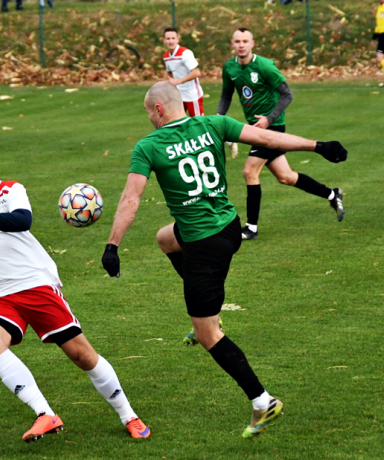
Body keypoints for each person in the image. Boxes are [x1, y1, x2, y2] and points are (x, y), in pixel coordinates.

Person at [101, 81, 348, 438]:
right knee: (165, 238)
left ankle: (262, 401)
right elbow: (268, 140)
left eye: (146, 111)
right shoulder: (214, 123)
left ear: (157, 109)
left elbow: (130, 200)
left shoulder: (148, 146)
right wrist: (317, 146)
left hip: (205, 244)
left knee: (207, 335)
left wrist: (112, 245)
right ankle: (209, 312)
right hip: (230, 227)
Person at [0, 140, 150, 442]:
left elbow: (22, 221)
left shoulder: (10, 190)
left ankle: (129, 415)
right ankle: (45, 413)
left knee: (82, 356)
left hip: (35, 284)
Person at [218, 28, 345, 241]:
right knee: (286, 177)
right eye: (237, 41)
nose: (241, 45)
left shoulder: (265, 66)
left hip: (273, 127)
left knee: (250, 172)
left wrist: (269, 118)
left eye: (245, 41)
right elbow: (225, 95)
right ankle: (332, 194)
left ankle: (251, 228)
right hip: (256, 128)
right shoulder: (229, 68)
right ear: (232, 44)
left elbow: (287, 94)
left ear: (252, 44)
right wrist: (218, 119)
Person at [162, 27, 239, 159]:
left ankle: (228, 141)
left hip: (192, 96)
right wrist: (169, 82)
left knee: (201, 126)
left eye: (173, 38)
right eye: (168, 38)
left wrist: (178, 81)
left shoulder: (185, 53)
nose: (170, 41)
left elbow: (197, 72)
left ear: (178, 39)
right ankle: (186, 152)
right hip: (179, 96)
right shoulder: (166, 57)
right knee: (177, 123)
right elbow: (170, 72)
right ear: (164, 40)